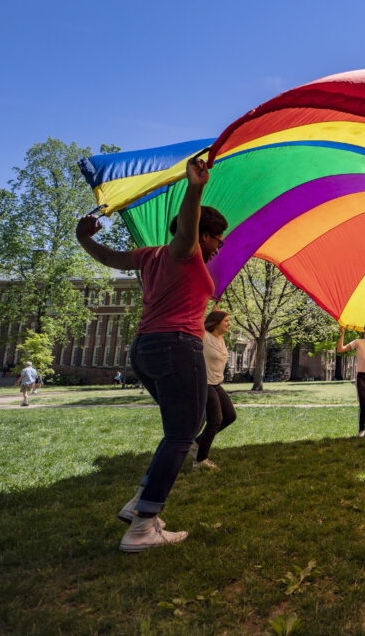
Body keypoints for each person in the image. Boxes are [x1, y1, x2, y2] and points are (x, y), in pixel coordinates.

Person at [77, 156, 227, 552]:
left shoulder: (148, 256)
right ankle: (142, 527)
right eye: (218, 238)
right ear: (202, 234)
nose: (219, 246)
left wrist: (83, 238)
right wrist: (195, 188)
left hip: (144, 349)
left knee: (181, 428)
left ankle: (140, 503)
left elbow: (108, 258)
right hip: (177, 345)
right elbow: (188, 231)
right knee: (183, 432)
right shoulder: (185, 252)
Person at [189, 310, 237, 470]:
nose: (229, 323)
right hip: (204, 383)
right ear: (216, 322)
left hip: (216, 383)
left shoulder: (221, 338)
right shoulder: (204, 336)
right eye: (226, 321)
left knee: (230, 416)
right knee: (215, 420)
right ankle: (200, 461)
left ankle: (196, 444)